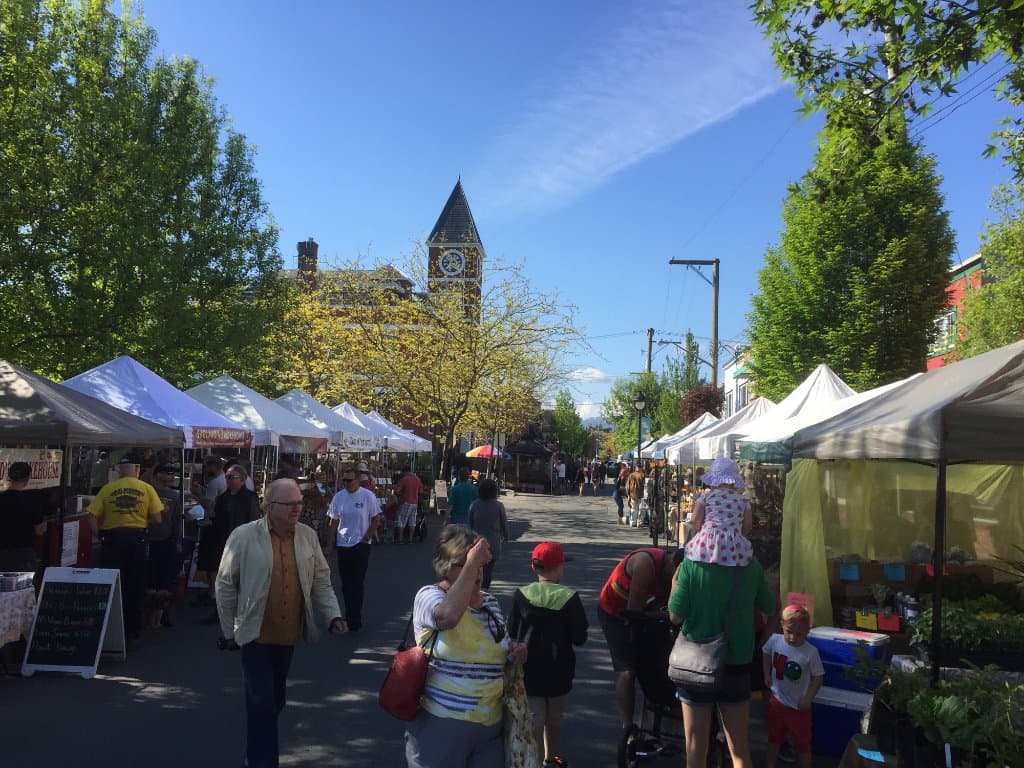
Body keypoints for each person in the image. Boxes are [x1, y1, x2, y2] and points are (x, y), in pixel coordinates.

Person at [216, 478, 347, 768]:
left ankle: (260, 747)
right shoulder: (244, 536)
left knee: (274, 699)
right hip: (254, 633)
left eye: (299, 502)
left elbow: (321, 582)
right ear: (269, 506)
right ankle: (262, 761)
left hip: (287, 635)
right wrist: (228, 631)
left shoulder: (307, 536)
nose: (297, 508)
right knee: (261, 702)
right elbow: (225, 584)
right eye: (290, 504)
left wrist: (333, 615)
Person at [404, 525, 527, 767]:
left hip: (491, 726)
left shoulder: (489, 602)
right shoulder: (430, 595)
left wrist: (515, 652)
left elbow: (498, 648)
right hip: (440, 725)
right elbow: (447, 618)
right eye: (465, 563)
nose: (477, 571)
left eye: (480, 564)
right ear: (445, 566)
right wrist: (472, 563)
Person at [668, 550, 777, 768]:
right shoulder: (750, 564)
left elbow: (675, 616)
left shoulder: (692, 563)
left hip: (696, 664)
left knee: (695, 750)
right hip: (738, 664)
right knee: (739, 750)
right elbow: (772, 607)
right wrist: (759, 643)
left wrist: (673, 586)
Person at [508, 541, 588, 768]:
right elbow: (579, 638)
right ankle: (550, 758)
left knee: (533, 718)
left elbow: (511, 632)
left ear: (535, 568)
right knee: (554, 718)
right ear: (559, 567)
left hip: (528, 670)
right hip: (559, 669)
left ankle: (531, 760)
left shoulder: (521, 595)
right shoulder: (570, 598)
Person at [598, 547, 683, 729]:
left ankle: (660, 702)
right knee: (628, 670)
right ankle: (627, 724)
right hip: (615, 613)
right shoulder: (646, 564)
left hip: (642, 609)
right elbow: (633, 614)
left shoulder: (673, 573)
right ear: (670, 564)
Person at [88, 452, 163, 646]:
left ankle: (104, 631)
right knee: (135, 586)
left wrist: (100, 535)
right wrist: (140, 522)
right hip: (136, 539)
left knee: (109, 584)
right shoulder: (146, 489)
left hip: (112, 540)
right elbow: (157, 519)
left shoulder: (107, 488)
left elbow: (91, 517)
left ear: (120, 471)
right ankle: (132, 633)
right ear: (137, 469)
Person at [762, 605, 824, 768]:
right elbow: (766, 652)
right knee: (774, 739)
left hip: (798, 708)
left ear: (807, 631)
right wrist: (766, 674)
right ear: (782, 624)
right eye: (789, 632)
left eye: (799, 634)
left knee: (802, 745)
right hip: (777, 702)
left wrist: (808, 699)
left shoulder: (810, 652)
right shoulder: (775, 640)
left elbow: (818, 676)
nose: (793, 638)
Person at [199, 464, 262, 624]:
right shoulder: (223, 498)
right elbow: (218, 518)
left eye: (231, 477)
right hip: (223, 544)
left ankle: (242, 614)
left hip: (242, 544)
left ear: (242, 479)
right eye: (226, 477)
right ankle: (219, 613)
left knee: (241, 581)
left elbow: (253, 521)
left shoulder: (250, 497)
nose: (227, 480)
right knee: (223, 581)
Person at [325, 468, 381, 631]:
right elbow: (333, 521)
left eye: (350, 480)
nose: (347, 483)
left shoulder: (367, 496)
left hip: (360, 545)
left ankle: (354, 618)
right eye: (344, 480)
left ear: (358, 480)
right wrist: (330, 543)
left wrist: (366, 538)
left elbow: (376, 519)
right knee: (345, 583)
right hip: (343, 545)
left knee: (356, 583)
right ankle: (349, 613)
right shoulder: (339, 497)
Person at [684, 457, 754, 567]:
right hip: (734, 547)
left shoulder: (706, 497)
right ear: (734, 481)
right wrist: (736, 535)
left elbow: (695, 522)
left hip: (707, 544)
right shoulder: (743, 500)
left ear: (714, 480)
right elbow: (748, 525)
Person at [147, 463, 183, 626]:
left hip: (166, 540)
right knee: (149, 578)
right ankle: (148, 614)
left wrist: (177, 541)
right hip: (146, 540)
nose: (170, 477)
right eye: (167, 473)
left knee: (166, 579)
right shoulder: (147, 491)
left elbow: (176, 521)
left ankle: (164, 615)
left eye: (172, 474)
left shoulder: (174, 496)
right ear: (157, 475)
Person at [0, 462, 49, 572]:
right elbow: (39, 531)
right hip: (24, 554)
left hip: (2, 554)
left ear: (9, 477)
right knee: (24, 588)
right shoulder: (32, 502)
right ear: (27, 478)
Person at [467, 478, 509, 589]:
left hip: (476, 542)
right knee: (489, 568)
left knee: (476, 566)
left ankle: (476, 588)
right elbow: (504, 523)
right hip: (493, 543)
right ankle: (485, 589)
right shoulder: (499, 506)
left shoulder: (474, 505)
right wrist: (506, 536)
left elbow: (469, 525)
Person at [392, 468, 423, 544]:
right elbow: (421, 491)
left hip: (405, 502)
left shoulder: (404, 479)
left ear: (405, 472)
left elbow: (397, 490)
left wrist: (399, 493)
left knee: (401, 520)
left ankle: (400, 539)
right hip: (414, 502)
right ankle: (410, 539)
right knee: (412, 521)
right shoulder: (417, 479)